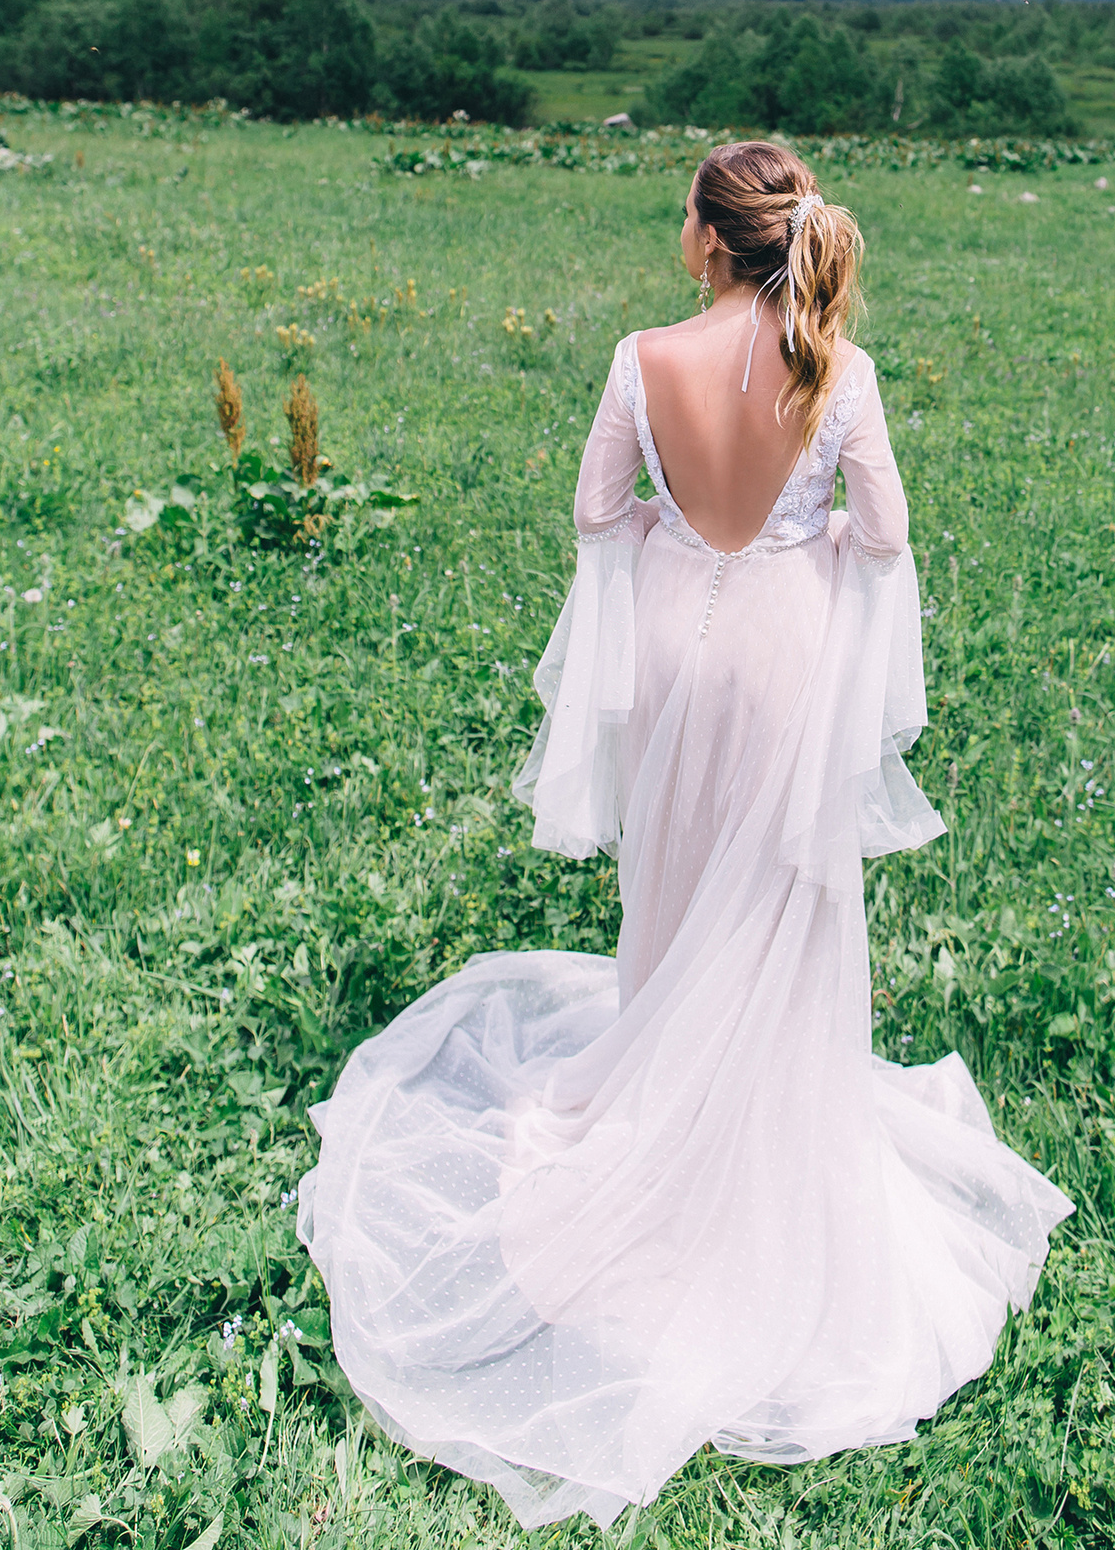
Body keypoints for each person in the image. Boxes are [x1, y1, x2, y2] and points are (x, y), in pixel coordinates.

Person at [298, 141, 1071, 1529]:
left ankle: (656, 1106)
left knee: (671, 878)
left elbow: (598, 509)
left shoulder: (639, 358)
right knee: (780, 898)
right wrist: (803, 545)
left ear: (712, 239)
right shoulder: (839, 369)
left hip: (671, 636)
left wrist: (675, 521)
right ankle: (764, 1137)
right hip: (783, 647)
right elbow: (884, 535)